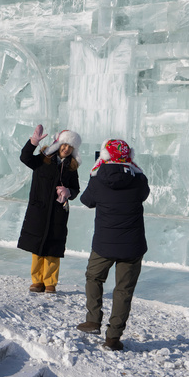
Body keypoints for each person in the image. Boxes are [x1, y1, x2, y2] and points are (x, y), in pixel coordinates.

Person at [75, 139, 150, 352]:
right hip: (132, 246)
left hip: (104, 245)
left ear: (105, 156)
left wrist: (95, 171)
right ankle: (113, 338)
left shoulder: (98, 179)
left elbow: (86, 201)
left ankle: (93, 320)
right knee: (123, 290)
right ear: (130, 157)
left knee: (94, 277)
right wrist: (135, 168)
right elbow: (144, 194)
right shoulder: (138, 180)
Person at [17, 124, 81, 293]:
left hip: (58, 213)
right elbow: (25, 157)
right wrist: (33, 142)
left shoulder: (71, 168)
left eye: (70, 147)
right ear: (58, 144)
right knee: (37, 248)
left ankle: (50, 282)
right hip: (39, 211)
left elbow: (76, 189)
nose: (66, 149)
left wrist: (68, 192)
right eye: (64, 145)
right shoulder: (42, 160)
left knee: (53, 248)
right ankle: (37, 281)